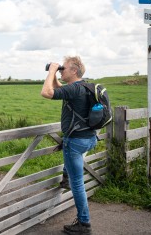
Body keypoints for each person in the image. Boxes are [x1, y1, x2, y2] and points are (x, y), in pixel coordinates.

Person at [41, 56, 96, 235]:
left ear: (74, 71)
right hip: (90, 139)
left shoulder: (74, 89)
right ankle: (66, 175)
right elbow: (59, 89)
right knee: (74, 170)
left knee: (78, 184)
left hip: (76, 141)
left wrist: (50, 72)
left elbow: (46, 92)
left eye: (64, 69)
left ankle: (84, 224)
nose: (61, 70)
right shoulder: (85, 87)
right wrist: (56, 74)